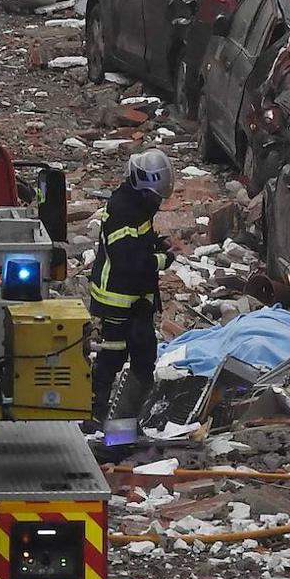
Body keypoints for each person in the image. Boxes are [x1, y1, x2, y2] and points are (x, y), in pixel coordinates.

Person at [87, 149, 176, 427]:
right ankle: (96, 412)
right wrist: (162, 259)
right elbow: (128, 258)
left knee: (144, 354)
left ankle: (135, 414)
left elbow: (139, 239)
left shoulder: (137, 205)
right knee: (112, 356)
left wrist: (156, 243)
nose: (157, 204)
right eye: (155, 197)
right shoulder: (123, 209)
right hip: (117, 298)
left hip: (135, 298)